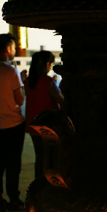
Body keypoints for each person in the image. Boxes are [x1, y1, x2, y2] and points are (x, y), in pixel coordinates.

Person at [0, 33, 26, 212]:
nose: (15, 50)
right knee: (13, 164)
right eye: (14, 46)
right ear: (8, 49)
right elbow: (19, 100)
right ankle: (14, 200)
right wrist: (22, 84)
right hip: (13, 124)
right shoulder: (11, 71)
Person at [25, 51, 64, 179]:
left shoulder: (28, 81)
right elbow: (61, 100)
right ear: (47, 64)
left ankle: (38, 184)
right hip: (47, 125)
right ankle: (46, 184)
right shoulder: (48, 82)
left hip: (32, 124)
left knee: (40, 156)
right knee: (49, 158)